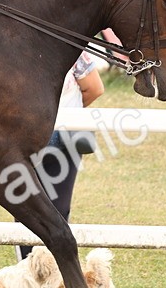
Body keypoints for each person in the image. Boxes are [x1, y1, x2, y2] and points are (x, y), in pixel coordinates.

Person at [16, 51, 104, 261]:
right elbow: (94, 88)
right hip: (59, 138)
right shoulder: (74, 50)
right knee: (57, 209)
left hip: (29, 136)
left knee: (26, 209)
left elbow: (94, 88)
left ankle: (33, 269)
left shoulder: (16, 45)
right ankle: (53, 269)